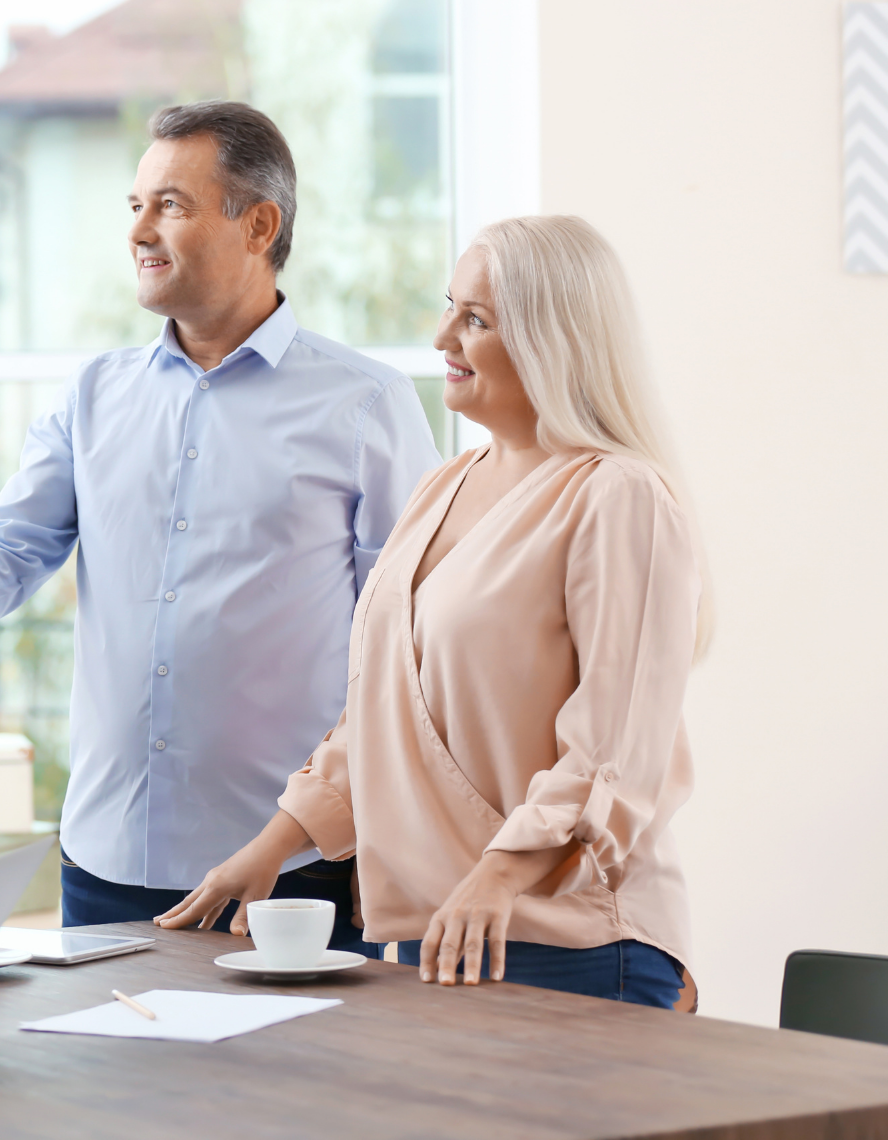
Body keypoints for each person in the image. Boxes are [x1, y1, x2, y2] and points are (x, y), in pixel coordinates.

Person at [0, 101, 440, 944]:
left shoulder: (366, 405)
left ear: (258, 225)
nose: (140, 229)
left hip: (290, 870)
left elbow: (403, 649)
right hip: (106, 862)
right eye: (135, 205)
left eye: (171, 205)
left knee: (286, 1081)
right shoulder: (95, 395)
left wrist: (377, 842)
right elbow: (6, 545)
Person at [159, 215, 705, 1009]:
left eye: (475, 318)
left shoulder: (617, 495)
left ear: (554, 341)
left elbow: (616, 749)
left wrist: (501, 875)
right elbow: (381, 719)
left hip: (570, 941)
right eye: (450, 305)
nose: (442, 332)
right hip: (433, 936)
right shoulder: (440, 487)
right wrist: (272, 848)